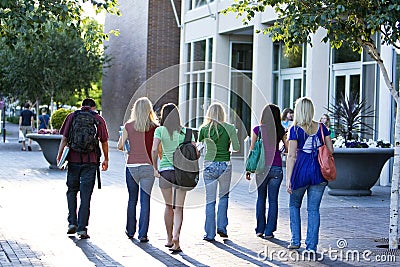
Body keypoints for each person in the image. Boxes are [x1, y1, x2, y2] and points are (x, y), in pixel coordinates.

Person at [57, 98, 109, 239]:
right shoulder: (98, 119)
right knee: (86, 195)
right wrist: (106, 159)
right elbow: (104, 140)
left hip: (73, 160)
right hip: (91, 161)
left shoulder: (72, 116)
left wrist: (59, 155)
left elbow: (64, 138)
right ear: (93, 107)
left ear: (82, 106)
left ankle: (71, 223)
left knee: (72, 191)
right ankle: (82, 228)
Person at [286, 97, 333, 252]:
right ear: (311, 110)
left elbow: (291, 156)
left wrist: (288, 179)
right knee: (313, 210)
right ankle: (311, 246)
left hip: (300, 172)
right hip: (319, 173)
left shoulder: (295, 129)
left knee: (294, 205)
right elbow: (330, 150)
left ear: (298, 110)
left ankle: (295, 240)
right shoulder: (322, 128)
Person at [151, 103, 195, 253]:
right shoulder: (187, 132)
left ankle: (169, 238)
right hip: (182, 174)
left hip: (165, 172)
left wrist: (155, 168)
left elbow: (154, 149)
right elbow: (195, 154)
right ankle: (177, 237)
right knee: (179, 208)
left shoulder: (160, 130)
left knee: (168, 206)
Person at [118, 97, 158, 242]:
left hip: (132, 167)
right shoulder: (154, 127)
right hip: (148, 167)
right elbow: (157, 149)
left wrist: (129, 146)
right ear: (149, 110)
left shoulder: (128, 126)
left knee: (132, 200)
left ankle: (130, 231)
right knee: (145, 201)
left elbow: (119, 146)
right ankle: (142, 234)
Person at [198, 103, 240, 241]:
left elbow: (199, 147)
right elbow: (237, 147)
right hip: (225, 165)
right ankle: (222, 226)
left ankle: (209, 234)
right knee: (223, 197)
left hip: (209, 164)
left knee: (210, 200)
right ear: (223, 114)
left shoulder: (204, 129)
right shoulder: (230, 128)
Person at [246, 104, 287, 239]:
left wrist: (248, 169)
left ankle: (260, 229)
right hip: (276, 167)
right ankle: (269, 231)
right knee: (273, 200)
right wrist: (279, 150)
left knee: (261, 198)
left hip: (261, 168)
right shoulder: (281, 130)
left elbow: (253, 150)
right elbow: (287, 149)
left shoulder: (257, 130)